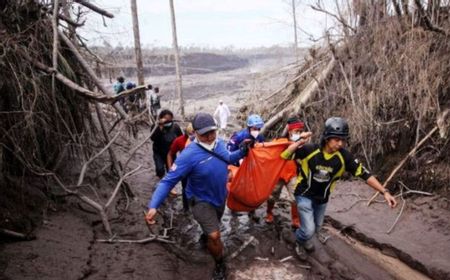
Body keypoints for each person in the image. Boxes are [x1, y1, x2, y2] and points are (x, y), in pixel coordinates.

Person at [146, 112, 249, 280]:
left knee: (211, 228)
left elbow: (229, 158)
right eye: (205, 133)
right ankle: (219, 263)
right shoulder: (188, 155)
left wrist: (243, 150)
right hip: (200, 200)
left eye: (212, 132)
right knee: (215, 236)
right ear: (195, 132)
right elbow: (167, 181)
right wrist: (153, 206)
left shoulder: (219, 144)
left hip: (219, 197)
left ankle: (205, 234)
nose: (209, 136)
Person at [280, 117, 398, 260]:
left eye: (343, 140)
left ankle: (304, 236)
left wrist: (384, 192)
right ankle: (299, 241)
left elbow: (365, 174)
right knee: (309, 230)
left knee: (317, 228)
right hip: (303, 194)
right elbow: (285, 155)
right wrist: (299, 140)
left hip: (322, 199)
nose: (340, 143)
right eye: (336, 139)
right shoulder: (309, 150)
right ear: (327, 138)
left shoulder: (345, 157)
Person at [265, 117, 310, 229]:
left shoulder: (302, 142)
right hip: (278, 174)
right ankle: (269, 213)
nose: (298, 133)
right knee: (271, 197)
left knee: (295, 198)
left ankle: (295, 219)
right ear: (289, 131)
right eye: (296, 131)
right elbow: (269, 152)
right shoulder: (279, 142)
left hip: (292, 174)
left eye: (300, 131)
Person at [166, 123, 195, 207]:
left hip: (197, 168)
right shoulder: (179, 140)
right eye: (190, 134)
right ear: (186, 132)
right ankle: (186, 208)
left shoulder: (201, 141)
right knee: (185, 188)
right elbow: (170, 154)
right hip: (185, 169)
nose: (192, 136)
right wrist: (170, 168)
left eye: (194, 133)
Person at [150, 109, 183, 180]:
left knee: (171, 170)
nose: (168, 122)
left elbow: (181, 139)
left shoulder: (175, 127)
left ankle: (169, 185)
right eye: (166, 120)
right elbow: (153, 138)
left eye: (169, 120)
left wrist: (182, 152)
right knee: (160, 169)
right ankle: (161, 181)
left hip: (171, 153)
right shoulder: (155, 126)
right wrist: (160, 127)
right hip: (158, 152)